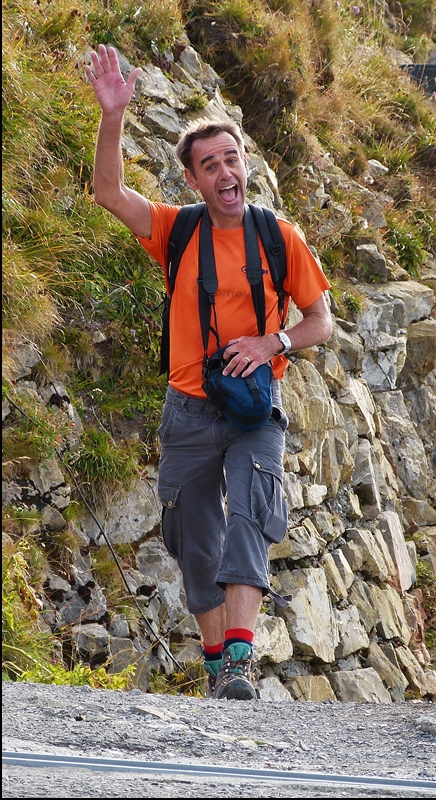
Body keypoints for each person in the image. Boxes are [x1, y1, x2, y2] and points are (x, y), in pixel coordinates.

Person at [85, 44, 332, 700]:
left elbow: (321, 321)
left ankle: (241, 662)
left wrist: (269, 338)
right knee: (191, 531)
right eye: (209, 165)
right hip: (189, 408)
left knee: (252, 510)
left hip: (255, 405)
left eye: (231, 159)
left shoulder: (281, 236)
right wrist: (113, 116)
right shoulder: (176, 230)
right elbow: (108, 191)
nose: (224, 172)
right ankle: (220, 660)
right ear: (193, 180)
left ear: (244, 165)